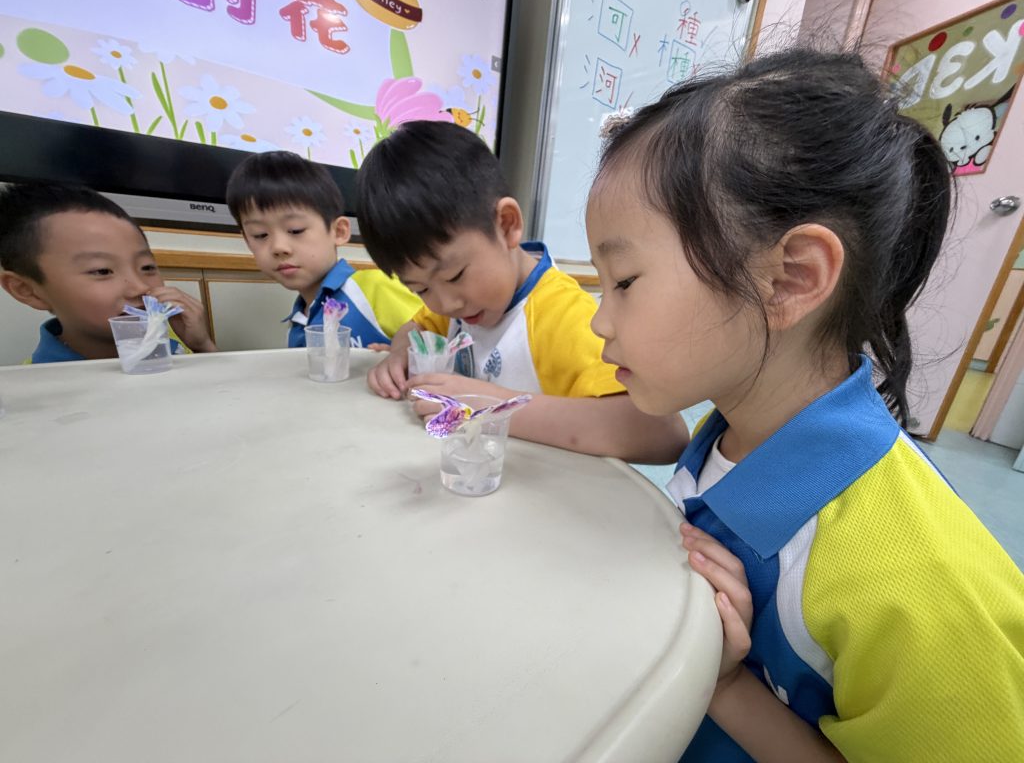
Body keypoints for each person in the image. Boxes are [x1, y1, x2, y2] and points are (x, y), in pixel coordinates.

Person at [586, 48, 1024, 761]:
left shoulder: (919, 585)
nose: (600, 321)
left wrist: (728, 686)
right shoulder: (725, 430)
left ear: (790, 278)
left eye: (625, 281)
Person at [358, 121, 688, 463]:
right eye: (421, 288)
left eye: (455, 276)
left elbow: (662, 434)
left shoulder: (563, 317)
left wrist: (488, 404)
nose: (445, 304)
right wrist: (400, 353)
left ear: (507, 224)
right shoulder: (457, 306)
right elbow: (418, 326)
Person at [0, 183, 216, 363]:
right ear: (28, 290)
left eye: (147, 267)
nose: (140, 287)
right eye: (102, 271)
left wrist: (202, 346)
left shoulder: (172, 342)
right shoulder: (36, 387)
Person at [225, 150, 421, 348]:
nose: (278, 247)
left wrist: (404, 357)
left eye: (295, 230)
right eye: (260, 235)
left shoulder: (375, 288)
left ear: (339, 231)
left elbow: (437, 335)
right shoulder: (297, 325)